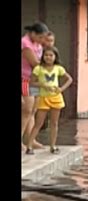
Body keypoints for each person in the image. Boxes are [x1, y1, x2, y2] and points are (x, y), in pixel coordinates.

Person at [25, 47, 73, 154]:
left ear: (55, 57)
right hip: (43, 97)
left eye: (51, 55)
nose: (48, 57)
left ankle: (53, 146)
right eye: (46, 55)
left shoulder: (58, 68)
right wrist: (42, 85)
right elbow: (31, 82)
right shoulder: (38, 68)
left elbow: (69, 79)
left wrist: (61, 89)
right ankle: (29, 145)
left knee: (54, 123)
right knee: (38, 123)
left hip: (56, 97)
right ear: (43, 56)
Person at [22, 22, 49, 151]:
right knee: (26, 110)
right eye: (40, 37)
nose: (42, 40)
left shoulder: (37, 44)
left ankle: (30, 139)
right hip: (25, 80)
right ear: (33, 34)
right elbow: (34, 63)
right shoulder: (25, 44)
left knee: (33, 110)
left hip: (35, 80)